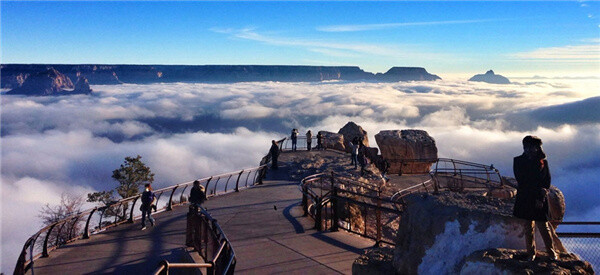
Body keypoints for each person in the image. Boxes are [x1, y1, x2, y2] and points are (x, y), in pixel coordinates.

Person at [513, 135, 558, 261]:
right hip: (527, 196)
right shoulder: (518, 161)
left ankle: (551, 252)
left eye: (533, 147)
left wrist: (541, 194)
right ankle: (531, 253)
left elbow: (547, 179)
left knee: (543, 226)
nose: (531, 149)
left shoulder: (543, 162)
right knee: (528, 226)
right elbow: (522, 180)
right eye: (528, 146)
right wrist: (539, 192)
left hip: (538, 197)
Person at [187, 180, 206, 247]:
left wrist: (198, 202)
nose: (194, 186)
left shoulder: (200, 190)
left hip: (197, 204)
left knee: (197, 214)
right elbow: (192, 196)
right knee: (193, 213)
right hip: (194, 203)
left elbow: (203, 197)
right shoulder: (193, 190)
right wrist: (191, 200)